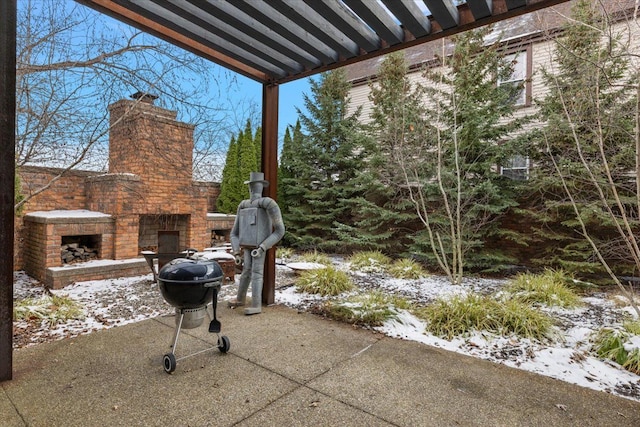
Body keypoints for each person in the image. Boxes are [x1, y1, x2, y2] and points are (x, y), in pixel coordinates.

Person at [228, 172, 285, 315]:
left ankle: (256, 304)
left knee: (257, 273)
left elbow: (280, 230)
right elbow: (234, 233)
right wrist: (236, 252)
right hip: (247, 244)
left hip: (259, 245)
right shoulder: (243, 205)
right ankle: (240, 298)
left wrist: (263, 246)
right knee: (246, 271)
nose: (254, 190)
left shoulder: (268, 203)